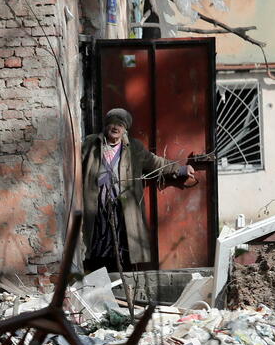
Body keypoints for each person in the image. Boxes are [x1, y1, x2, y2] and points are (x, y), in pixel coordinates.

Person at [81, 108, 195, 272]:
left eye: (120, 124)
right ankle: (98, 280)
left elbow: (155, 163)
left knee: (121, 246)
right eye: (113, 123)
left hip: (122, 208)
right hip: (96, 208)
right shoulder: (91, 144)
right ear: (106, 125)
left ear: (125, 129)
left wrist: (180, 169)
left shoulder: (134, 148)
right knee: (96, 245)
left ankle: (120, 283)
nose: (116, 127)